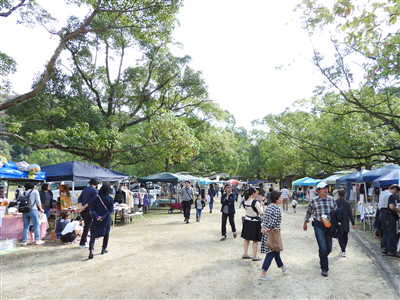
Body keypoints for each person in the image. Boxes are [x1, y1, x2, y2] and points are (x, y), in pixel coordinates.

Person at [303, 181, 336, 277]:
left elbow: (335, 210)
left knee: (328, 248)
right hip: (318, 225)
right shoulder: (314, 200)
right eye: (323, 188)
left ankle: (322, 256)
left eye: (326, 188)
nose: (325, 190)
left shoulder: (331, 199)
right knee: (323, 247)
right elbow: (309, 212)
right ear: (318, 190)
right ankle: (324, 268)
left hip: (329, 225)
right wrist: (305, 222)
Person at [260, 191, 291, 280]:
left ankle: (283, 267)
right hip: (273, 233)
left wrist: (263, 227)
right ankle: (263, 274)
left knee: (276, 250)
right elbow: (273, 222)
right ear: (276, 199)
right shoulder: (276, 209)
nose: (282, 199)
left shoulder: (269, 207)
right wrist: (267, 228)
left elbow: (263, 219)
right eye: (280, 197)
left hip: (267, 232)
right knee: (272, 252)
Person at [88, 184, 114, 259]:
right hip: (105, 219)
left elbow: (92, 209)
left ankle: (91, 251)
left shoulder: (96, 198)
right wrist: (103, 216)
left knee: (93, 235)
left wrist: (96, 216)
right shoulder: (110, 199)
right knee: (106, 233)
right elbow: (110, 210)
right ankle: (103, 249)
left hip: (96, 219)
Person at [378, 184, 400, 258]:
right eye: (396, 192)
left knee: (385, 233)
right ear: (394, 189)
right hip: (389, 215)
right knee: (391, 233)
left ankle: (384, 248)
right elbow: (391, 207)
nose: (395, 193)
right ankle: (391, 251)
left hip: (381, 214)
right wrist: (397, 210)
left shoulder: (383, 193)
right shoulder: (391, 195)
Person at [241, 187, 264, 261]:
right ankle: (255, 255)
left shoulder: (245, 201)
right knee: (255, 239)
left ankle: (245, 253)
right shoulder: (255, 202)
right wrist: (261, 204)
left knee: (246, 238)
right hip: (255, 221)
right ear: (253, 193)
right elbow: (261, 212)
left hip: (247, 220)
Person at [77, 178, 99, 249]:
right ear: (96, 184)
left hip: (83, 211)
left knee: (86, 227)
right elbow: (91, 201)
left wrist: (81, 207)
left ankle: (85, 240)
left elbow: (79, 199)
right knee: (87, 227)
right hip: (89, 211)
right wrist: (83, 207)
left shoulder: (85, 189)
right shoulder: (95, 191)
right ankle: (83, 243)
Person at [335, 189, 355, 257]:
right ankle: (344, 249)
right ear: (345, 194)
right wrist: (353, 223)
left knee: (340, 234)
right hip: (346, 220)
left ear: (338, 194)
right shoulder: (347, 203)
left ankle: (343, 249)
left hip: (338, 220)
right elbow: (350, 214)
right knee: (345, 235)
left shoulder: (335, 202)